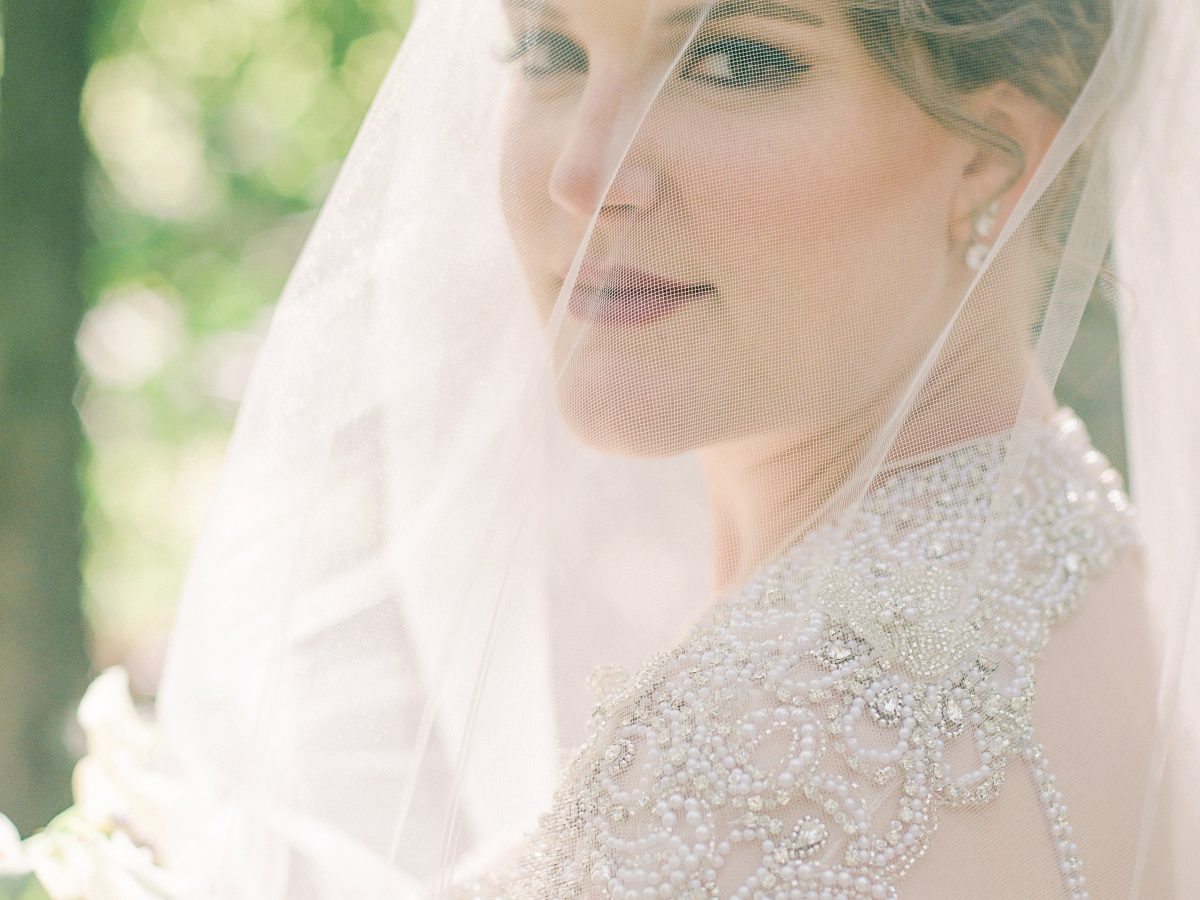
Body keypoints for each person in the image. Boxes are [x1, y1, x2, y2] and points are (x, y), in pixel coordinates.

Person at [129, 0, 1197, 896]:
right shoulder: (1087, 563)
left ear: (995, 158)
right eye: (550, 49)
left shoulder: (749, 766)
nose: (584, 173)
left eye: (730, 60)